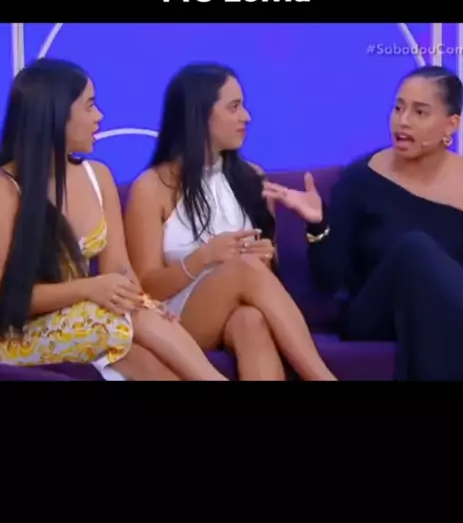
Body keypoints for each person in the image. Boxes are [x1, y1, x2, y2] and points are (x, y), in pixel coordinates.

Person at [0, 58, 228, 381]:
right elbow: (6, 298)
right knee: (114, 316)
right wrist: (89, 289)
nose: (99, 116)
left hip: (84, 320)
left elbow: (119, 270)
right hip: (15, 333)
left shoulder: (98, 176)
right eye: (89, 106)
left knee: (140, 346)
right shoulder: (6, 189)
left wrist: (144, 302)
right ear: (56, 114)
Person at [262, 64, 463, 381]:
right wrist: (318, 224)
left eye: (420, 112)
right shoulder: (362, 178)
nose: (403, 121)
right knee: (414, 249)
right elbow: (329, 279)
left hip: (452, 314)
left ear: (452, 123)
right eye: (398, 108)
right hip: (374, 314)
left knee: (441, 304)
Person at [124, 63, 336, 380]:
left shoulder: (253, 177)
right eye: (234, 107)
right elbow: (146, 289)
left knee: (251, 321)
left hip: (235, 308)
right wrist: (205, 257)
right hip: (173, 321)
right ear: (199, 115)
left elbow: (265, 280)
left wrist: (265, 257)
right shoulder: (152, 187)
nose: (246, 117)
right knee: (243, 270)